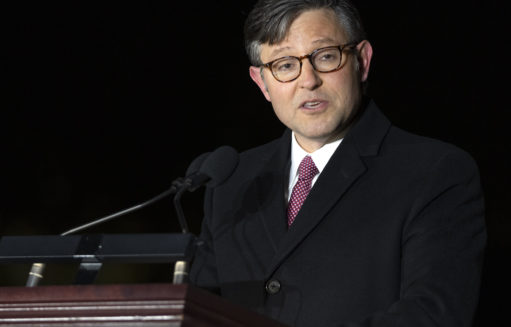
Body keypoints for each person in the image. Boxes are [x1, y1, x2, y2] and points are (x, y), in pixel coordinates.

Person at [189, 0, 486, 326]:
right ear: (262, 83)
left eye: (325, 57)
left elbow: (432, 315)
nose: (308, 80)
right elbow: (201, 310)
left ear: (362, 61)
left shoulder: (435, 172)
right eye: (286, 65)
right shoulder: (231, 181)